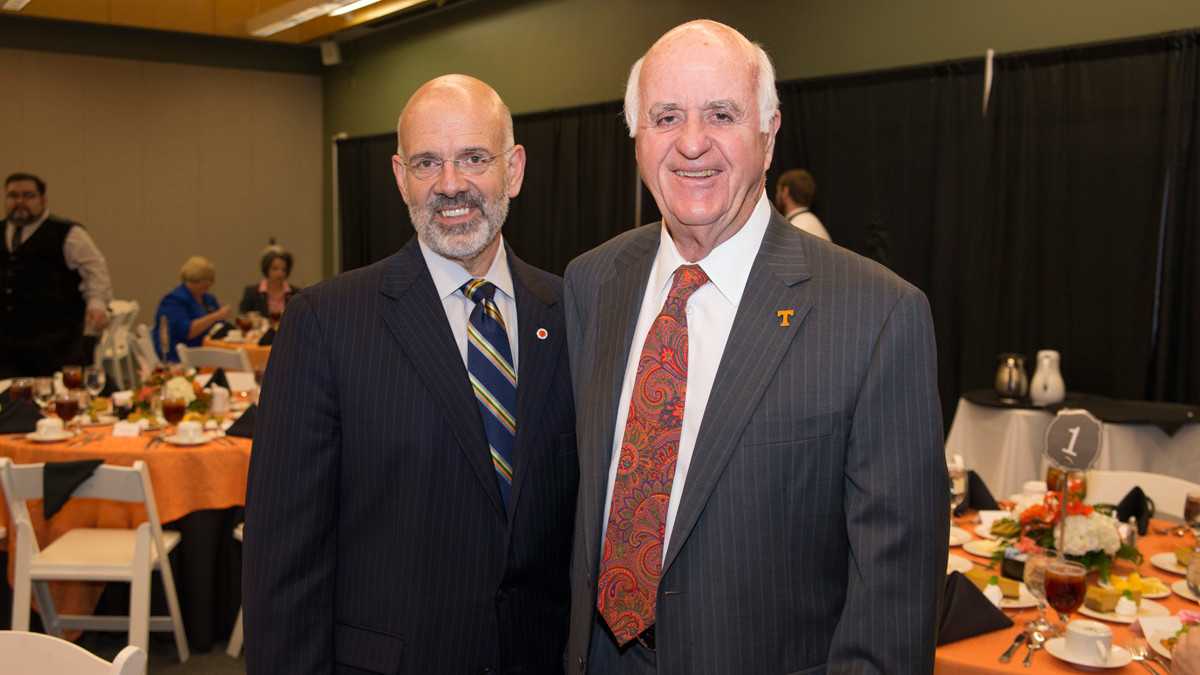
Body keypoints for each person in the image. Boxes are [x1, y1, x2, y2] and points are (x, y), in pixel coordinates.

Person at [564, 20, 947, 673]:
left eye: (721, 113)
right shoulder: (591, 283)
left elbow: (893, 610)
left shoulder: (878, 316)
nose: (691, 143)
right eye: (665, 117)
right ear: (636, 137)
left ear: (768, 134)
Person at [243, 74, 577, 674]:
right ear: (401, 178)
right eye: (427, 163)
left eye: (474, 157)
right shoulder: (325, 322)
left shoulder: (572, 312)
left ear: (515, 169)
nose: (451, 185)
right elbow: (282, 564)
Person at [1, 172, 113, 378]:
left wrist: (96, 305)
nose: (20, 201)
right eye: (13, 196)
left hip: (55, 344)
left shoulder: (68, 233)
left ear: (43, 200)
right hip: (6, 347)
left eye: (28, 195)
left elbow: (95, 271)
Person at [154, 255, 231, 362]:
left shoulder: (209, 299)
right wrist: (215, 316)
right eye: (204, 279)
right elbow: (185, 332)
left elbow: (220, 326)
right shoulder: (173, 300)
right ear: (193, 277)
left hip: (208, 352)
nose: (208, 283)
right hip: (181, 357)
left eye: (210, 279)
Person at [238, 245, 299, 319]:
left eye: (284, 269)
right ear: (266, 268)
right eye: (275, 268)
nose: (279, 273)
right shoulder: (252, 292)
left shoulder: (296, 293)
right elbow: (242, 317)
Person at [775, 168, 832, 241]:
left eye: (778, 190)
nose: (776, 195)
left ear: (786, 191)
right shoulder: (811, 221)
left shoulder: (796, 228)